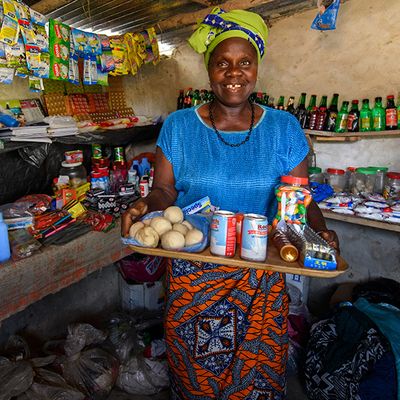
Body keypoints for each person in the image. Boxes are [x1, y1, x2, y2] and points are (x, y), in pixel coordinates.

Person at [122, 7, 339, 399]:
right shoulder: (180, 126)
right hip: (193, 275)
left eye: (244, 63)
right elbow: (165, 192)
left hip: (259, 275)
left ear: (256, 67)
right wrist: (145, 207)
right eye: (222, 63)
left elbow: (298, 198)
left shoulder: (283, 128)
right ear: (209, 70)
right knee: (194, 378)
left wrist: (318, 231)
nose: (233, 73)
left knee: (258, 376)